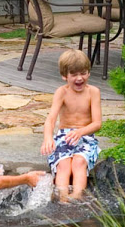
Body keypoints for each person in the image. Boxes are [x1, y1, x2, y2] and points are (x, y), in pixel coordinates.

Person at [40, 49, 102, 203]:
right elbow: (51, 119)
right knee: (63, 165)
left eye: (83, 73)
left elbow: (97, 123)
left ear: (88, 73)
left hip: (85, 136)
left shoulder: (93, 92)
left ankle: (76, 197)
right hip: (64, 136)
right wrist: (48, 139)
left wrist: (81, 132)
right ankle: (63, 199)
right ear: (64, 76)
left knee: (79, 162)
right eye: (74, 75)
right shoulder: (62, 92)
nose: (79, 78)